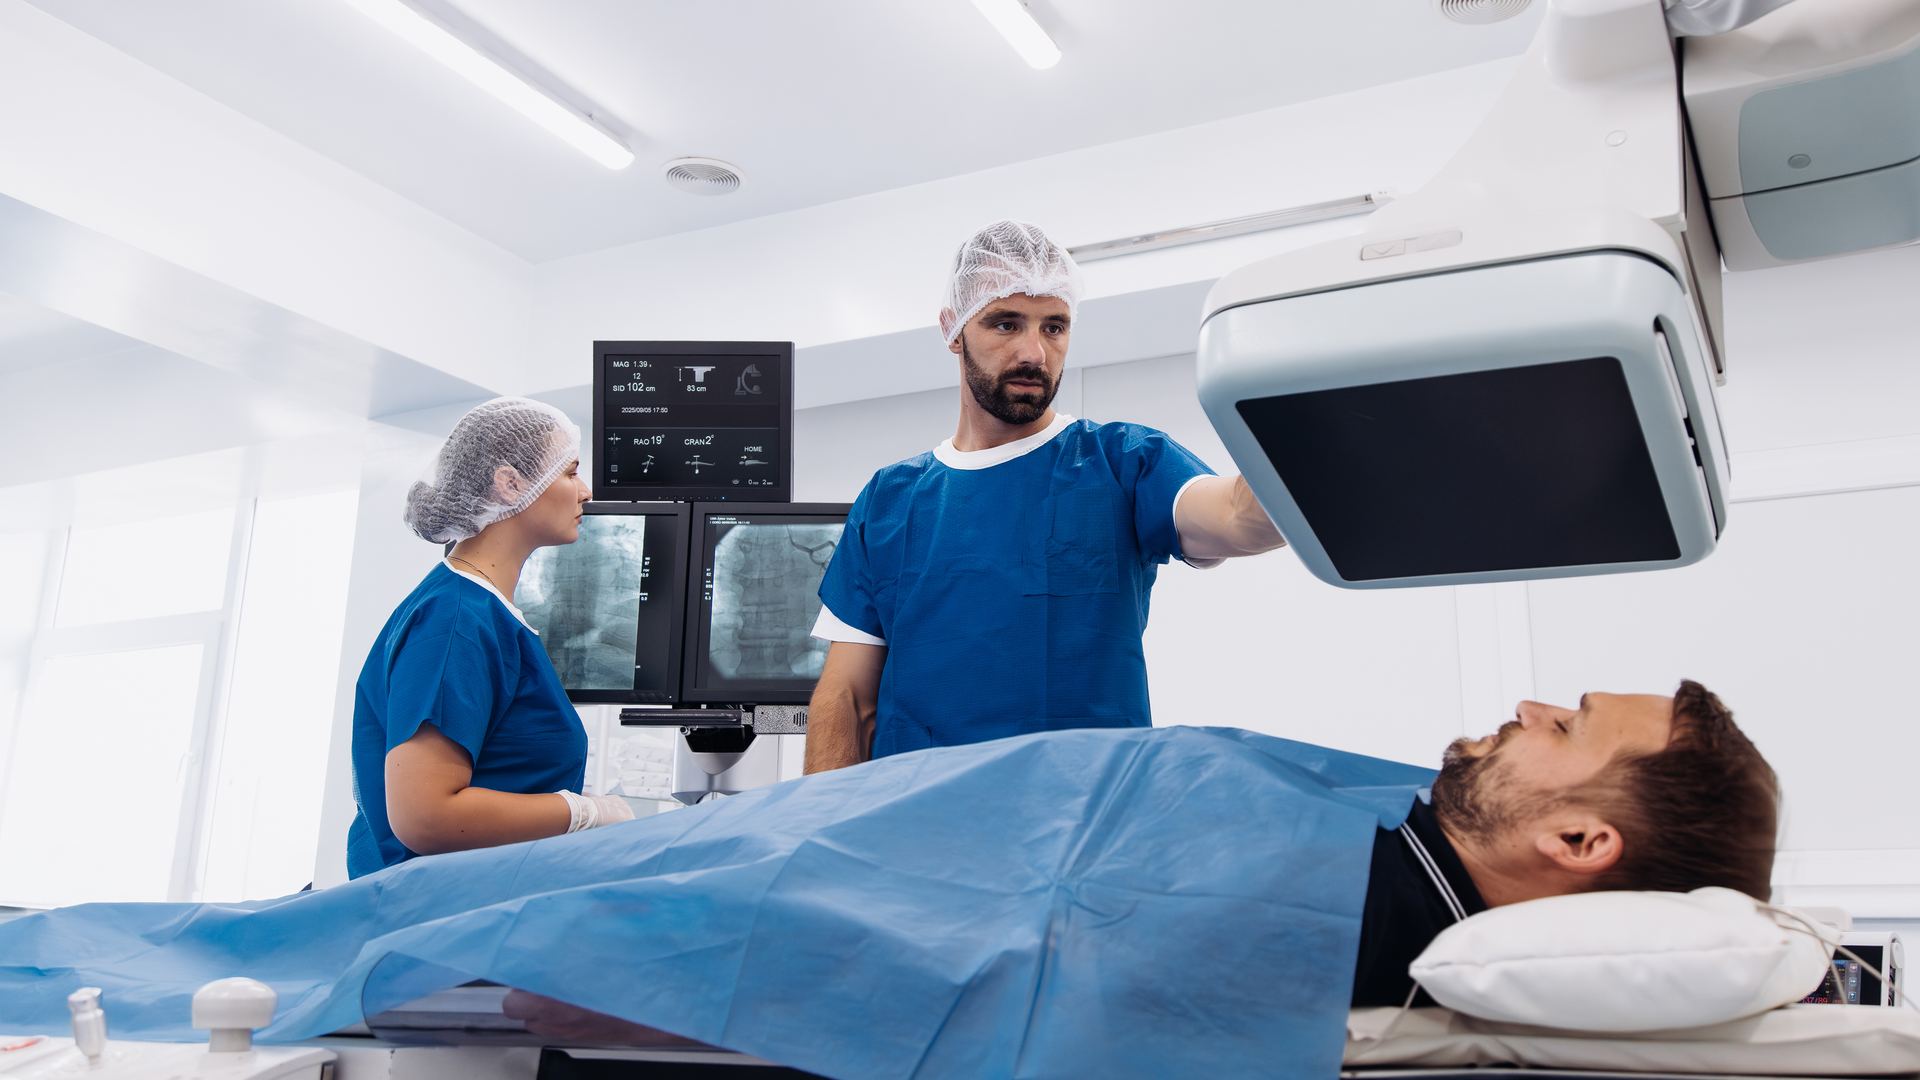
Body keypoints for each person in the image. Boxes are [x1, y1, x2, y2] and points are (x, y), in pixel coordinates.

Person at [0, 679, 1772, 1080]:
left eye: (1573, 723)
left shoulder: (1361, 916)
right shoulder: (1385, 821)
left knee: (393, 928)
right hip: (859, 830)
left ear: (1583, 850)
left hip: (832, 884)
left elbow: (1049, 956)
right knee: (360, 914)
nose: (1532, 704)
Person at [805, 220, 1288, 772]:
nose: (1034, 352)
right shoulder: (889, 500)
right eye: (1006, 323)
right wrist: (816, 834)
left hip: (1084, 826)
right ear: (953, 329)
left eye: (1054, 327)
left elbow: (1239, 517)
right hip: (920, 827)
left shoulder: (1123, 461)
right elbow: (847, 698)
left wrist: (1305, 394)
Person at [345, 397, 633, 878]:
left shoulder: (482, 612)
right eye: (570, 473)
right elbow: (424, 817)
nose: (585, 492)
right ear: (510, 483)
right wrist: (584, 813)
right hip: (432, 919)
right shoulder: (456, 619)